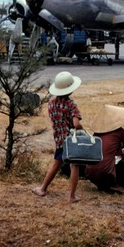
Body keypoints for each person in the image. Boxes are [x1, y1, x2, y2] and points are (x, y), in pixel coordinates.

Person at [33, 71, 83, 202]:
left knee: (57, 163)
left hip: (59, 139)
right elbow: (76, 124)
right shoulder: (71, 105)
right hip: (71, 140)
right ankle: (71, 196)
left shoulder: (51, 103)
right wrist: (81, 130)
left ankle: (43, 188)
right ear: (71, 90)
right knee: (75, 165)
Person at [85, 104, 124, 194]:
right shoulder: (119, 132)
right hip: (106, 174)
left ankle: (106, 183)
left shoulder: (97, 134)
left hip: (91, 174)